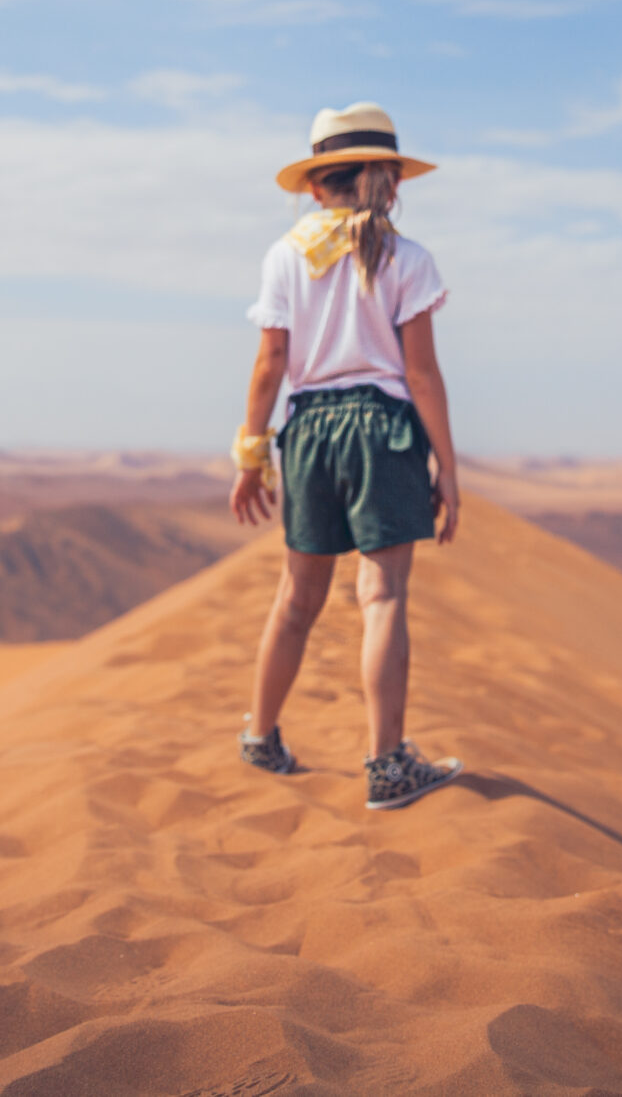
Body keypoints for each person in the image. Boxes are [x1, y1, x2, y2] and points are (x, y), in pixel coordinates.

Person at [231, 102, 463, 811]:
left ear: (313, 185)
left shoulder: (283, 255)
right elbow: (420, 372)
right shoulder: (406, 257)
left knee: (296, 598)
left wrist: (251, 453)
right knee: (382, 596)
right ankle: (387, 764)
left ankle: (262, 738)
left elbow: (270, 363)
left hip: (308, 431)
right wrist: (447, 466)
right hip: (382, 431)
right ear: (388, 179)